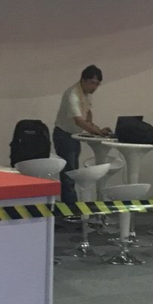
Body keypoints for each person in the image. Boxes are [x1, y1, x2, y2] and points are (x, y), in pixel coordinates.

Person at [53, 65, 111, 204]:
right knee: (69, 174)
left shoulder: (85, 94)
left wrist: (98, 129)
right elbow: (78, 121)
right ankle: (71, 208)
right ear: (83, 80)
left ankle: (73, 206)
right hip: (64, 135)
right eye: (92, 83)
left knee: (73, 172)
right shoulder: (72, 94)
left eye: (97, 84)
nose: (94, 87)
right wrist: (97, 132)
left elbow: (87, 117)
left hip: (74, 136)